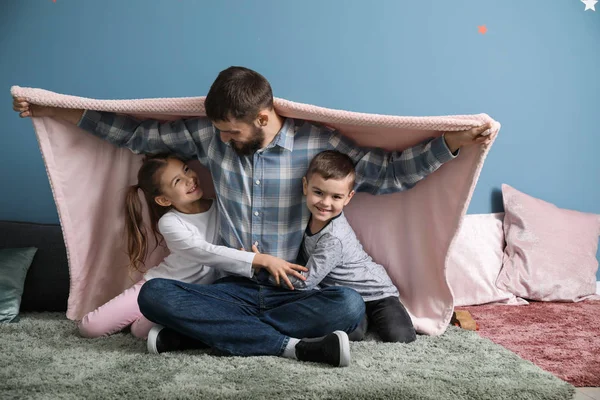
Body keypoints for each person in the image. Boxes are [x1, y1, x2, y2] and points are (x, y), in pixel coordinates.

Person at [12, 66, 494, 367]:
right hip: (234, 287)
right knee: (156, 294)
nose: (219, 139)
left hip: (296, 291)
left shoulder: (315, 143)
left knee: (347, 307)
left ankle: (205, 337)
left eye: (230, 130)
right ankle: (292, 347)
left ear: (262, 117)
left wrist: (451, 144)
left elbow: (388, 175)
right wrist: (55, 110)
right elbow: (138, 136)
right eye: (217, 130)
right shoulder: (207, 137)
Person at [78, 153, 308, 343]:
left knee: (140, 331)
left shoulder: (221, 207)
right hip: (159, 286)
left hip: (196, 297)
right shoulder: (170, 222)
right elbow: (205, 251)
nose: (190, 179)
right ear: (164, 200)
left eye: (186, 169)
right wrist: (260, 260)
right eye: (177, 181)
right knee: (90, 327)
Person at [263, 150, 417, 343]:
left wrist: (264, 269)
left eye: (336, 197)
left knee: (400, 338)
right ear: (305, 186)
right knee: (351, 334)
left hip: (376, 293)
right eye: (318, 192)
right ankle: (365, 320)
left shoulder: (333, 238)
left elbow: (306, 281)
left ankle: (385, 314)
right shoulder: (305, 218)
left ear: (348, 197)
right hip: (346, 297)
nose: (325, 203)